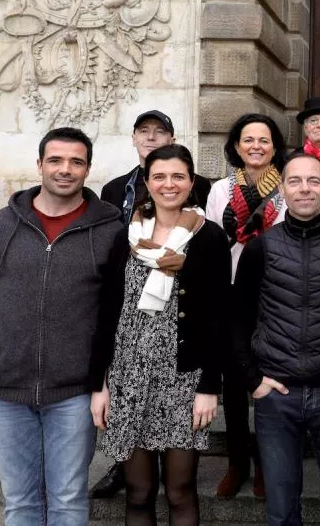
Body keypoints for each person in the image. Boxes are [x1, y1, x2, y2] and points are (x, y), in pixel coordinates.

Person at [0, 127, 124, 526]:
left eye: (76, 162)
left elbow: (117, 317)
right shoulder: (0, 227)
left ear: (87, 169)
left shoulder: (110, 232)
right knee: (21, 503)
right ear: (39, 165)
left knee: (67, 500)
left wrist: (105, 382)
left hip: (74, 392)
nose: (65, 170)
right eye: (56, 160)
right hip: (6, 391)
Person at [232, 153, 320, 526]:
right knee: (281, 512)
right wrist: (253, 380)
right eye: (295, 181)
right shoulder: (260, 248)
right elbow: (240, 318)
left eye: (314, 181)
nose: (304, 189)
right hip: (276, 395)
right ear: (282, 189)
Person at [89, 144, 230, 525]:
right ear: (147, 182)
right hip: (128, 375)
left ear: (191, 181)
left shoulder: (210, 238)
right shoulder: (126, 237)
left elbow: (219, 318)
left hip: (183, 378)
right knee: (138, 492)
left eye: (178, 176)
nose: (169, 185)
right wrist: (100, 384)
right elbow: (107, 313)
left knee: (181, 490)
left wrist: (208, 388)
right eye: (160, 177)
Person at [204, 113, 287, 497]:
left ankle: (268, 467)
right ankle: (238, 462)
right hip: (231, 295)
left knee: (268, 383)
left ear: (274, 147)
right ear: (236, 146)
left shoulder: (287, 189)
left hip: (275, 296)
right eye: (248, 139)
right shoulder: (221, 189)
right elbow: (212, 244)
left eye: (264, 140)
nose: (256, 146)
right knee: (234, 386)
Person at [101, 110, 211, 223]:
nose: (151, 137)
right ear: (134, 139)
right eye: (144, 131)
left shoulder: (199, 185)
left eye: (160, 131)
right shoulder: (113, 189)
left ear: (172, 141)